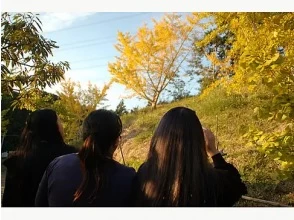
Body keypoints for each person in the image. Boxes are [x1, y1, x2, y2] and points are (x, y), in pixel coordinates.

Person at [133, 106, 247, 207]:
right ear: (199, 140)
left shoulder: (145, 172)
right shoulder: (214, 181)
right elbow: (237, 187)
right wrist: (214, 152)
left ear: (158, 138)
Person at [35, 109, 136, 207]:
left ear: (84, 136)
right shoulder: (129, 176)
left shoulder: (56, 164)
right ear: (116, 141)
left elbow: (39, 205)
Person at [2, 109, 77, 207]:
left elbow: (9, 202)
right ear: (54, 127)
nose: (62, 126)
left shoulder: (17, 160)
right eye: (59, 122)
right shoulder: (71, 156)